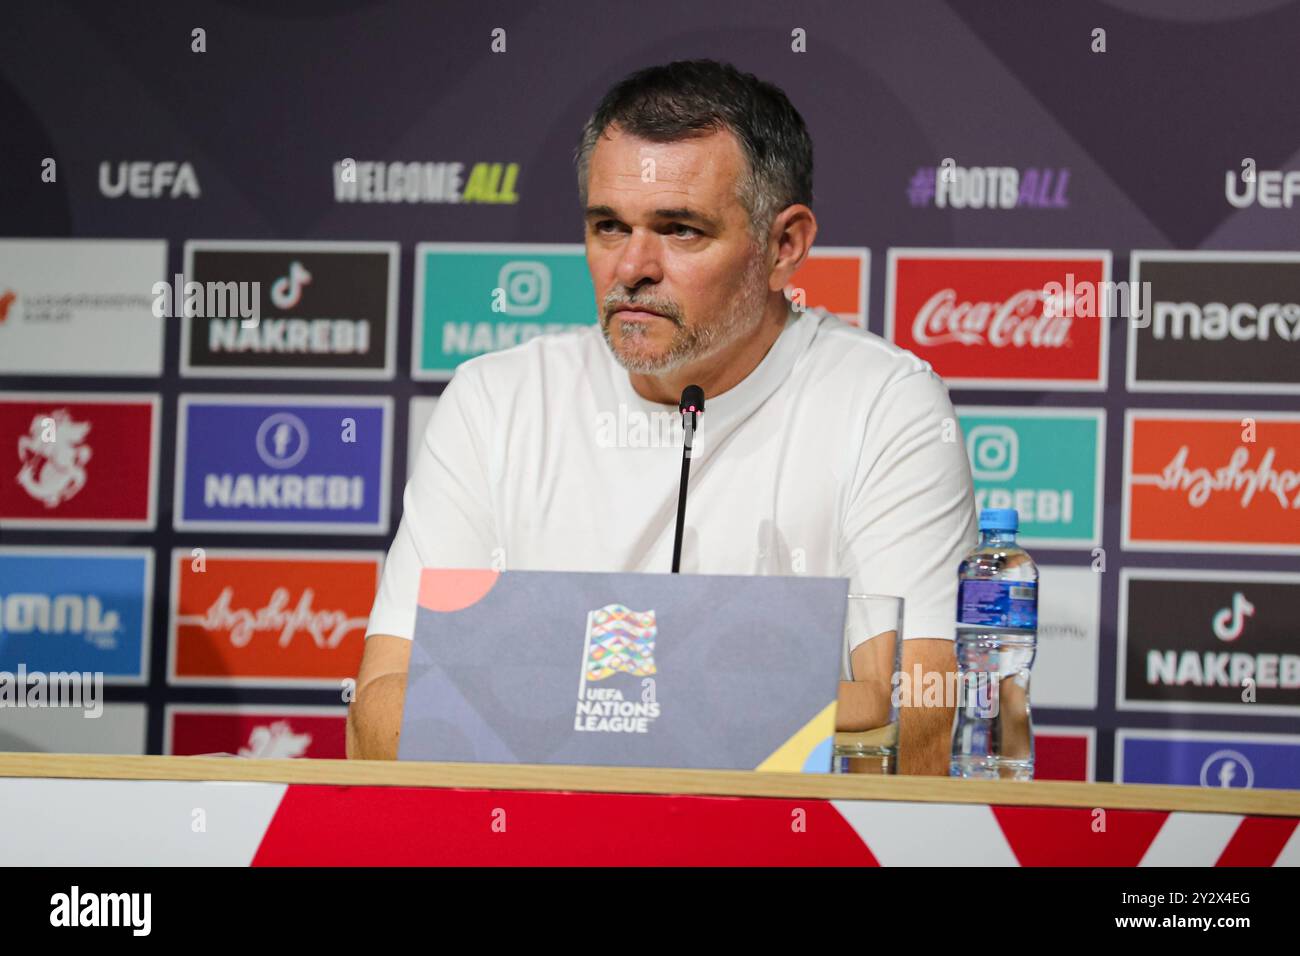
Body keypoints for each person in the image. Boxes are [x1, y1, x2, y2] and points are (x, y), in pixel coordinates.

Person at [349, 59, 976, 772]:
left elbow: (913, 721)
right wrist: (721, 706)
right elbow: (382, 724)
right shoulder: (494, 403)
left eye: (680, 230)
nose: (631, 267)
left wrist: (564, 706)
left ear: (784, 245)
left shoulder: (885, 405)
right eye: (609, 226)